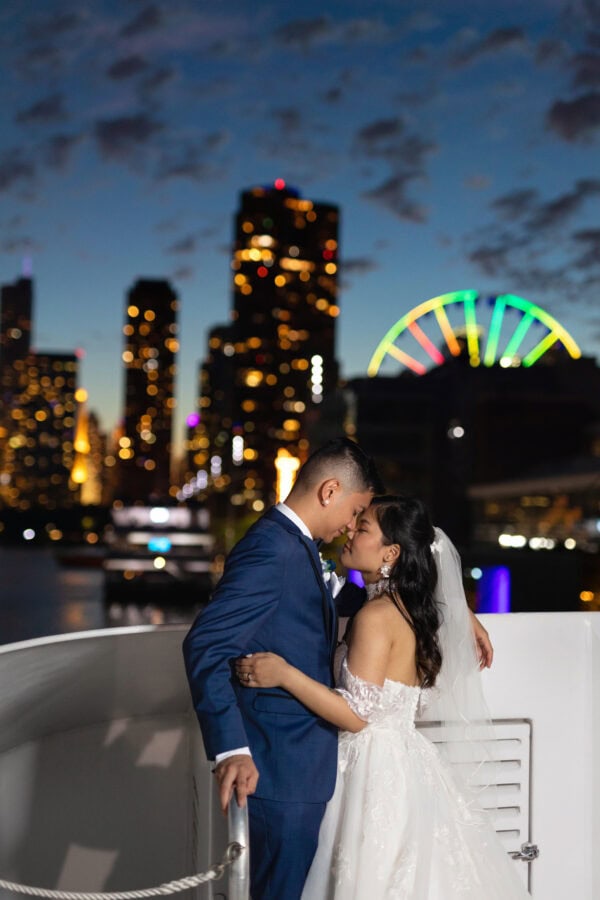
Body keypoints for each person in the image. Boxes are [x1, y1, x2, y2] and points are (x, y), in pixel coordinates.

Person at [236, 495, 528, 899]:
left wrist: (283, 674)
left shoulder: (375, 617)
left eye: (364, 528)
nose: (352, 532)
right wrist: (465, 615)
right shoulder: (406, 608)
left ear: (391, 552)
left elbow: (358, 716)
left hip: (370, 769)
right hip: (404, 762)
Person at [183, 437, 383, 900]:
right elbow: (206, 644)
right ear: (330, 491)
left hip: (301, 763)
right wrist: (231, 749)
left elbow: (346, 601)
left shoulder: (296, 545)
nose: (352, 526)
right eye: (355, 511)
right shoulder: (273, 548)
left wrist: (445, 610)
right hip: (279, 765)